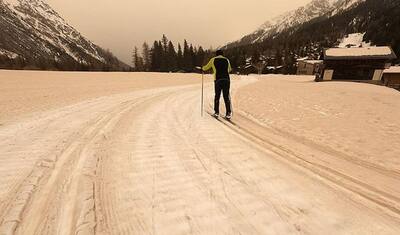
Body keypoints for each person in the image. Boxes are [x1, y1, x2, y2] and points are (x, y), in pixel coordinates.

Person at [202, 49, 233, 119]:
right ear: (222, 54)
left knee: (217, 96)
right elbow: (229, 69)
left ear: (216, 54)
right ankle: (228, 113)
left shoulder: (213, 59)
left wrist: (202, 69)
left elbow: (206, 67)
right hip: (226, 79)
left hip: (218, 79)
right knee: (226, 96)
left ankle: (216, 112)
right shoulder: (227, 60)